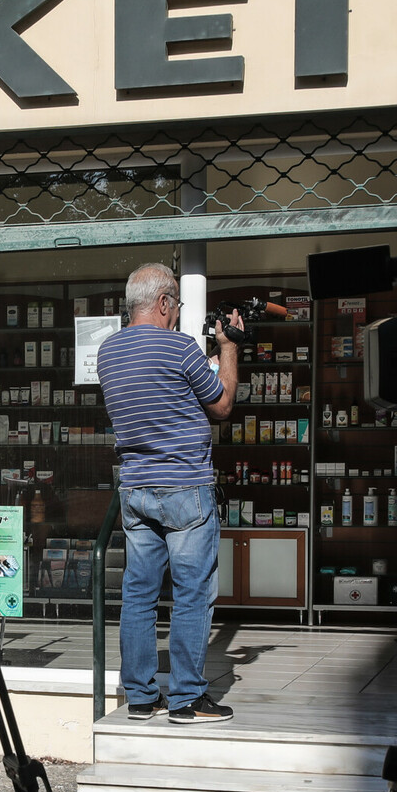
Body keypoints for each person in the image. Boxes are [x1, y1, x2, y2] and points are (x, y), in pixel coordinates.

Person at [96, 262, 240, 723]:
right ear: (162, 303)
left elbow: (159, 396)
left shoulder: (108, 352)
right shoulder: (179, 348)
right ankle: (187, 700)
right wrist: (228, 348)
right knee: (191, 593)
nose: (177, 312)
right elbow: (222, 404)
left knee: (139, 595)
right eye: (175, 303)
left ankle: (140, 697)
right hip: (185, 488)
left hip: (136, 488)